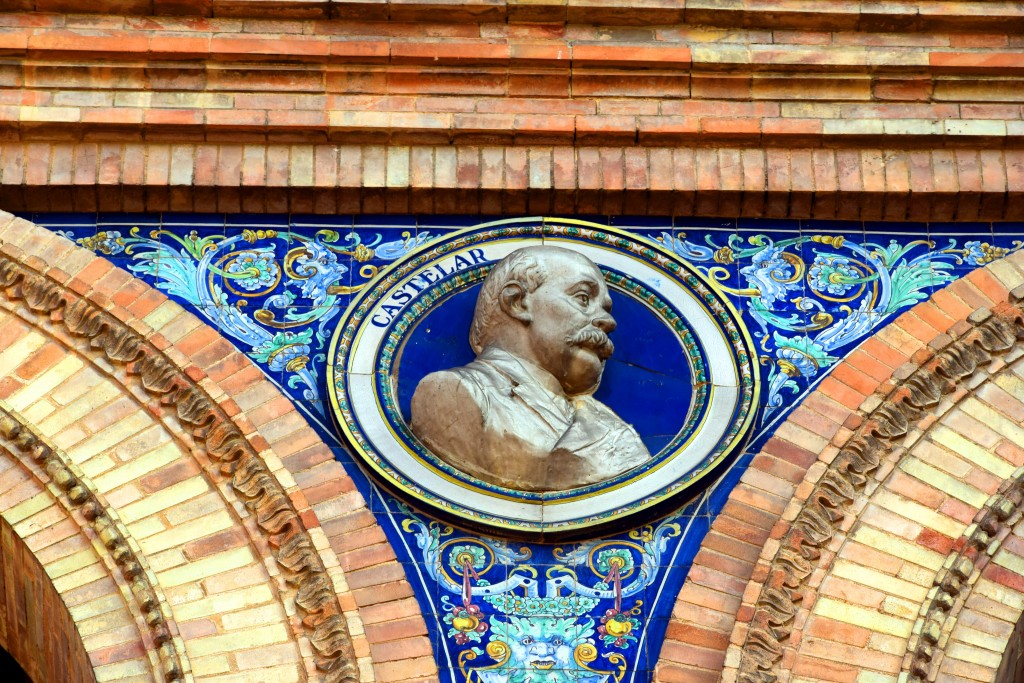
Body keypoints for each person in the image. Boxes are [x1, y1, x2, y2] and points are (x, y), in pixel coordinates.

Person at [410, 245, 650, 491]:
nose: (608, 322)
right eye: (583, 299)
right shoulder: (451, 392)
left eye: (604, 309)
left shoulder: (605, 420)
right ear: (517, 302)